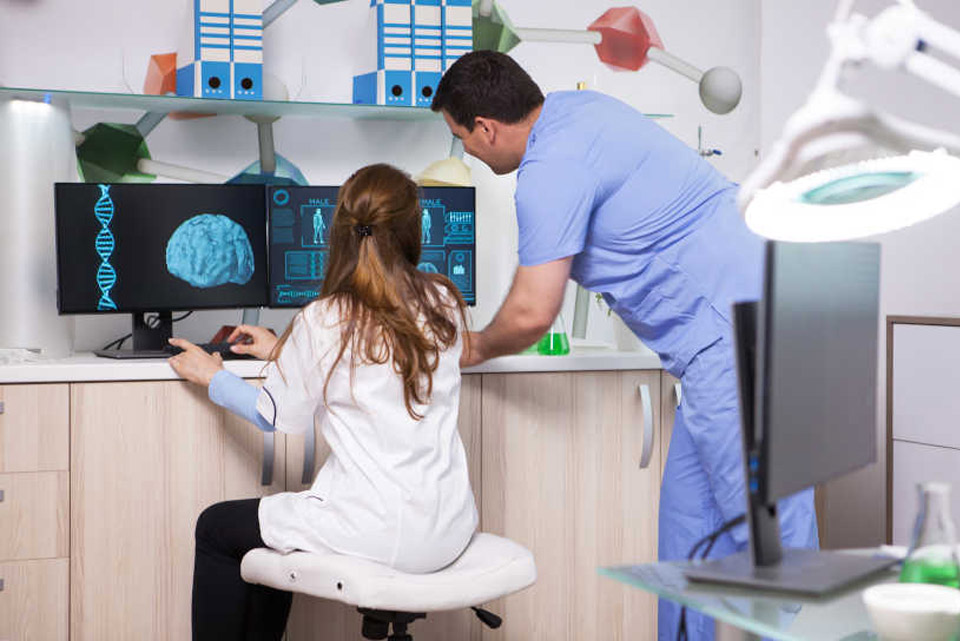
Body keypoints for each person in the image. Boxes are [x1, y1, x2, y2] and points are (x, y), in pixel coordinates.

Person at [430, 51, 818, 640]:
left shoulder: (549, 170)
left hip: (739, 339)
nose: (470, 155)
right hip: (719, 344)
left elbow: (535, 308)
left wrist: (475, 348)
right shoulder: (579, 111)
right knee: (689, 540)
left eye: (462, 139)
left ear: (486, 126)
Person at [167, 164, 478, 641]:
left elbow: (276, 415)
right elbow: (386, 363)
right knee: (272, 534)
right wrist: (286, 351)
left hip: (376, 530)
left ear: (340, 233)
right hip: (448, 526)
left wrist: (214, 375)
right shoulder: (444, 300)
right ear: (414, 230)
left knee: (216, 528)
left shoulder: (326, 317)